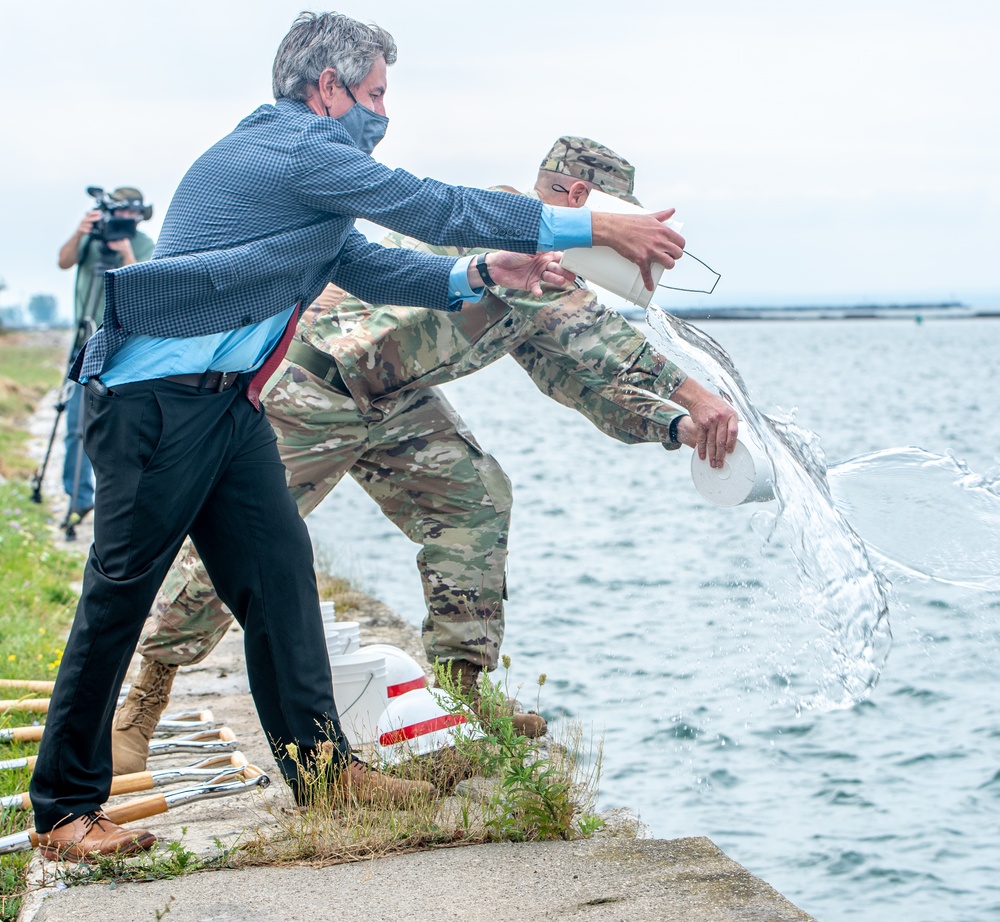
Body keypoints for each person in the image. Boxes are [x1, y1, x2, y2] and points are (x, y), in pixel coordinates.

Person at [30, 11, 691, 863]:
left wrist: (487, 270)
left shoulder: (312, 182)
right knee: (119, 596)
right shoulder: (294, 148)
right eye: (375, 93)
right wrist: (599, 229)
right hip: (154, 400)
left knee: (278, 578)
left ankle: (324, 773)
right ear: (328, 88)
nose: (384, 111)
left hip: (228, 407)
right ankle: (64, 812)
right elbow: (434, 206)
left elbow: (372, 264)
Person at [110, 136, 738, 774]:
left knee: (477, 501)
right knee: (237, 546)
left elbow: (571, 377)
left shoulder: (554, 283)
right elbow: (592, 333)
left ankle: (460, 699)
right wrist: (696, 391)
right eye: (619, 229)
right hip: (317, 385)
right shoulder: (506, 222)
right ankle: (144, 699)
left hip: (395, 400)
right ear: (580, 199)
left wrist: (677, 424)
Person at [56, 188, 154, 526]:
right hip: (84, 340)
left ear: (141, 216)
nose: (125, 220)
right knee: (74, 427)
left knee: (117, 430)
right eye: (120, 213)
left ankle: (115, 505)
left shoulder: (142, 244)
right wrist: (81, 231)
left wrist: (126, 252)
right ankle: (78, 499)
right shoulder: (91, 238)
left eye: (133, 214)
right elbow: (64, 261)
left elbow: (146, 285)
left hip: (119, 346)